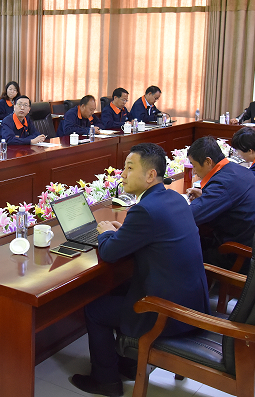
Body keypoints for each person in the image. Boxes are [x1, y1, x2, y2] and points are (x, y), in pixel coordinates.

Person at [71, 143, 209, 396]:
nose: (122, 174)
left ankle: (106, 381)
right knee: (120, 288)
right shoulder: (173, 198)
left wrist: (106, 233)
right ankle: (129, 364)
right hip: (192, 300)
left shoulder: (144, 209)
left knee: (95, 310)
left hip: (168, 312)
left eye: (129, 168)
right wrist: (123, 232)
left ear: (150, 175)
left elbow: (109, 253)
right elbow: (154, 235)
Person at [186, 136, 255, 268]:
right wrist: (205, 196)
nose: (195, 171)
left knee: (183, 250)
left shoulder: (222, 184)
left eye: (194, 165)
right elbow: (228, 196)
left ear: (208, 162)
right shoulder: (236, 169)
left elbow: (190, 216)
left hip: (241, 254)